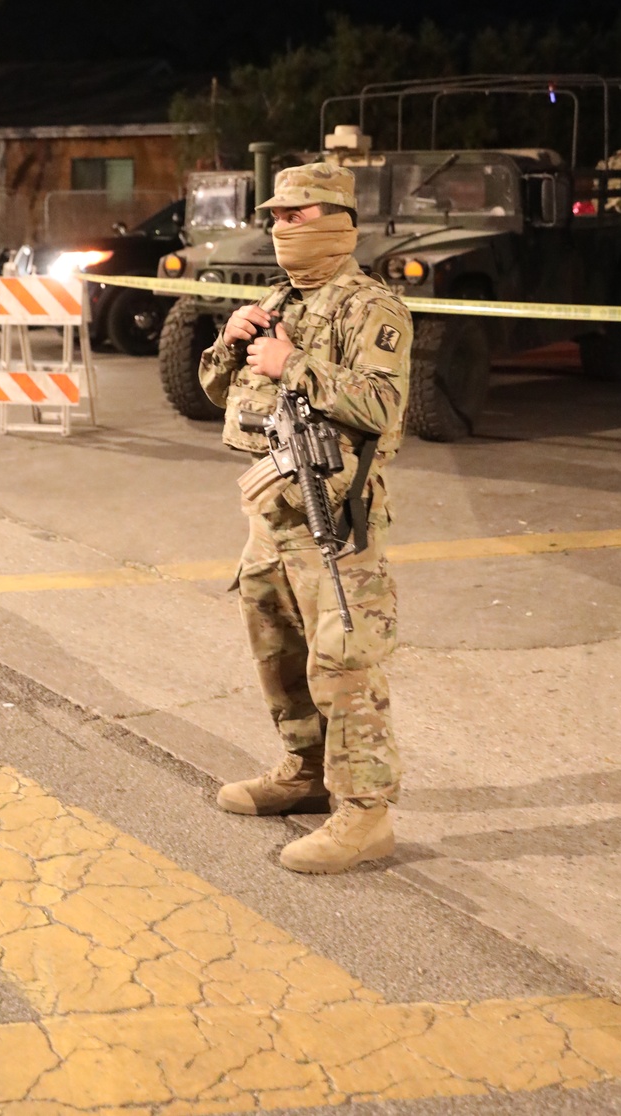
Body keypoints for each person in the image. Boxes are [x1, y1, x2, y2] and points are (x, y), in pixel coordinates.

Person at [198, 161, 412, 874]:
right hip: (271, 514)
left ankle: (364, 815)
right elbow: (213, 391)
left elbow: (382, 406)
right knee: (279, 654)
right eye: (275, 218)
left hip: (335, 522)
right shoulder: (278, 299)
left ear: (337, 223)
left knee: (344, 665)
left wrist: (294, 364)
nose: (280, 228)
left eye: (296, 216)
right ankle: (306, 773)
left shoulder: (370, 307)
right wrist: (230, 341)